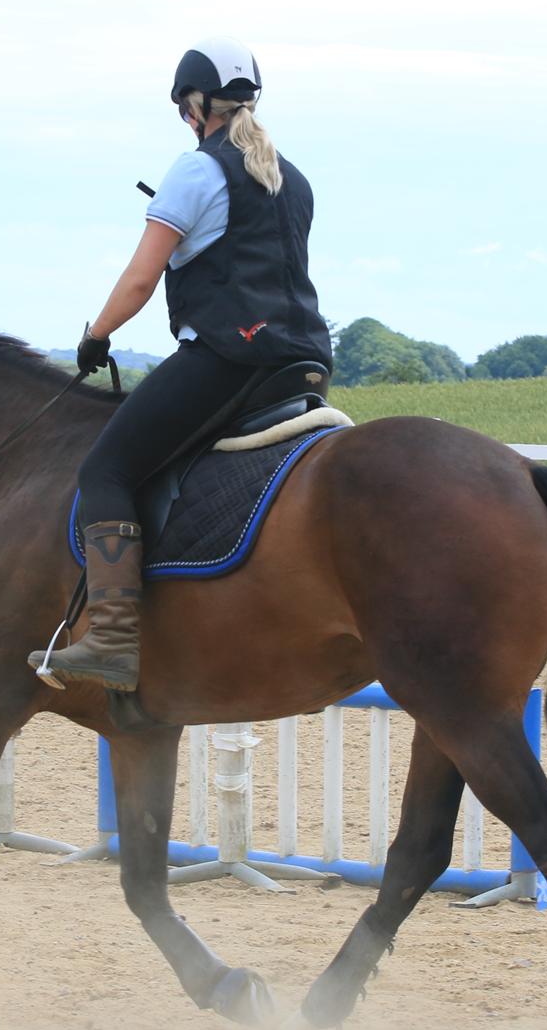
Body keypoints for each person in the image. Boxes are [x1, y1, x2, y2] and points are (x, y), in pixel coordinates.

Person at [28, 36, 332, 693]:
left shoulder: (197, 171)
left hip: (230, 357)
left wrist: (96, 337)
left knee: (106, 468)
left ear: (195, 107)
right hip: (305, 362)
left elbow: (140, 280)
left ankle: (110, 639)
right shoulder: (291, 177)